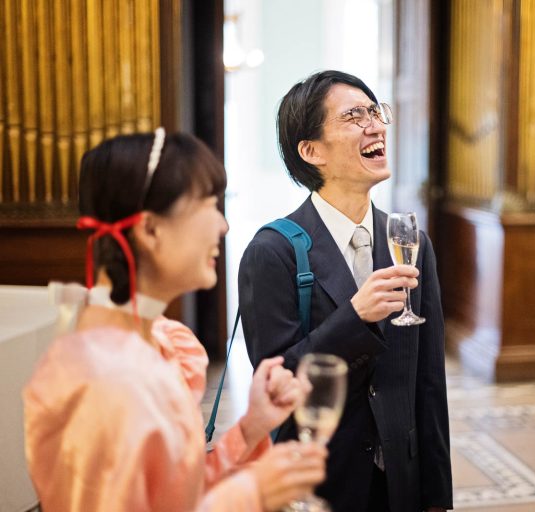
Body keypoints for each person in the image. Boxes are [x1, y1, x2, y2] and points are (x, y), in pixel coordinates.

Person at [23, 129, 327, 511]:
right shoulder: (101, 379)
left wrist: (251, 428)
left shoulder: (160, 340)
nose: (223, 225)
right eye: (208, 206)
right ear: (150, 230)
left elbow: (173, 492)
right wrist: (252, 494)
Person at [238, 70, 452, 512]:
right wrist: (355, 317)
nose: (375, 126)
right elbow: (276, 382)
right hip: (320, 484)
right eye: (354, 116)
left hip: (402, 483)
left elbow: (429, 381)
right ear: (311, 151)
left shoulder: (410, 242)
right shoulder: (272, 252)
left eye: (375, 112)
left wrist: (436, 497)